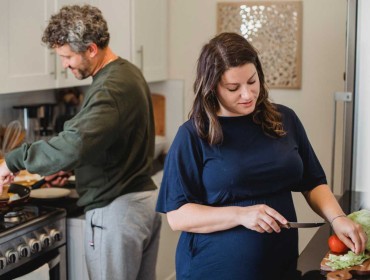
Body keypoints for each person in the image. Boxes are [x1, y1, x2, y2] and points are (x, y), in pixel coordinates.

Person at [156, 32, 367, 280]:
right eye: (233, 88)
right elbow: (178, 216)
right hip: (214, 269)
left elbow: (313, 182)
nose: (247, 95)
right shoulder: (192, 135)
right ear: (212, 87)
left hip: (280, 264)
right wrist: (241, 214)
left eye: (252, 81)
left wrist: (338, 218)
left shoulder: (284, 119)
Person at [0, 5, 161, 280]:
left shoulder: (110, 88)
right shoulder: (126, 73)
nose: (64, 64)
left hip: (117, 212)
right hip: (138, 205)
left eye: (67, 56)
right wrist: (74, 169)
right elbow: (104, 143)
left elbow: (74, 144)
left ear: (91, 49)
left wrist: (12, 160)